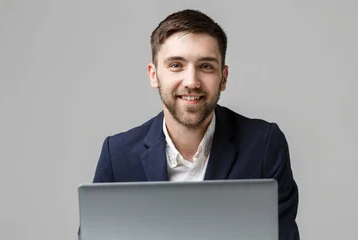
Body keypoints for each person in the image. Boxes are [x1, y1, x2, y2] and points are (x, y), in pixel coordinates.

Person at [89, 9, 300, 240]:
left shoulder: (264, 146)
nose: (191, 82)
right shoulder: (117, 155)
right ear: (154, 75)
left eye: (206, 66)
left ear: (224, 77)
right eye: (176, 65)